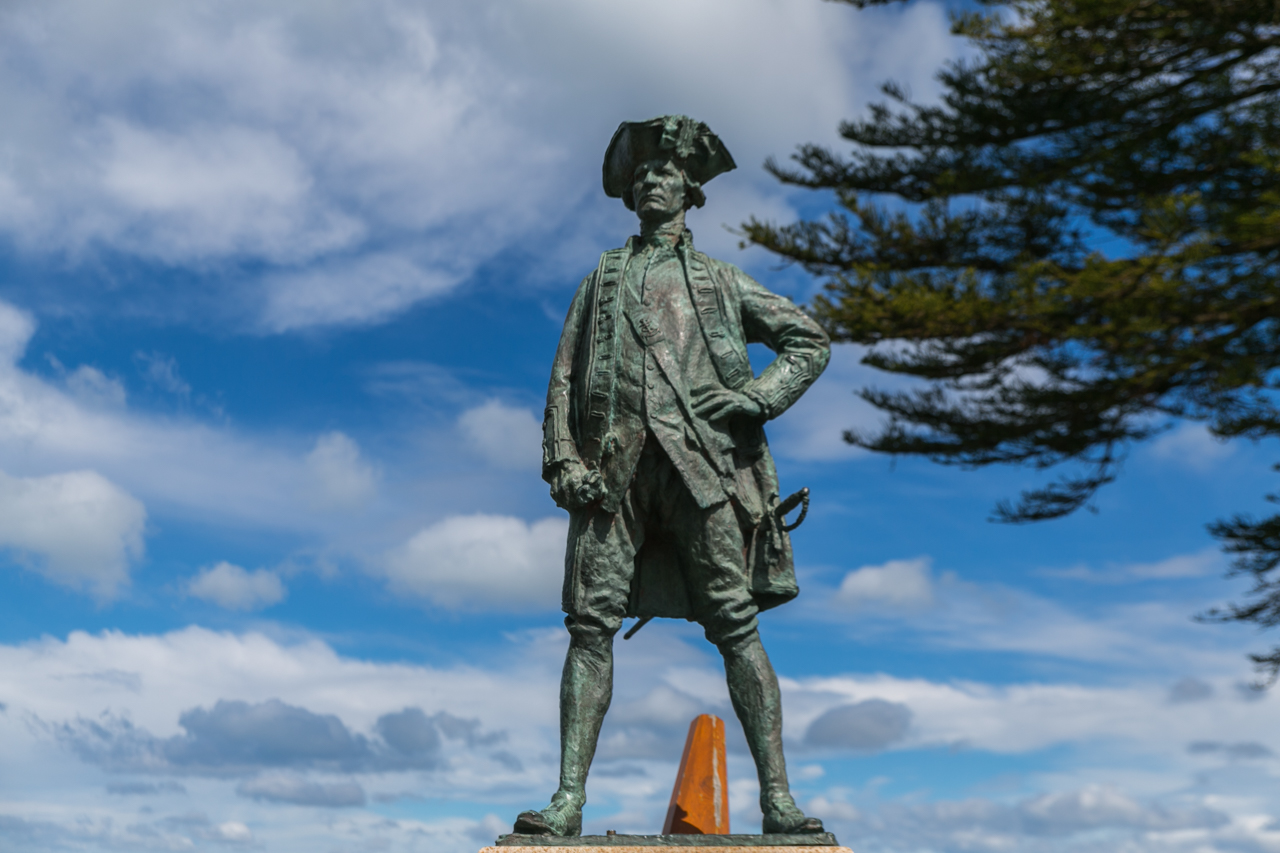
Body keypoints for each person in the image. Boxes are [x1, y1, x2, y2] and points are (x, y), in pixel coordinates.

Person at [516, 115, 830, 837]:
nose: (650, 182)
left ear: (690, 189)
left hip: (701, 467)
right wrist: (564, 461)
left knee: (737, 626)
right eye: (640, 175)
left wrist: (757, 399)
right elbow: (562, 380)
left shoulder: (721, 280)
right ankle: (568, 798)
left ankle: (778, 798)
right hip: (611, 475)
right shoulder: (600, 279)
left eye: (664, 172)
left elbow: (807, 340)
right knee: (588, 627)